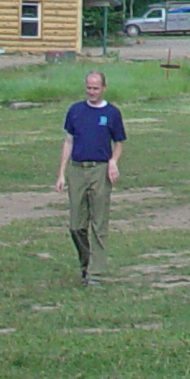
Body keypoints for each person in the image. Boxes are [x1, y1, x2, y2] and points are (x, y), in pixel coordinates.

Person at [55, 69, 126, 287]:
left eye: (96, 88)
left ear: (103, 88)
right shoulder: (75, 111)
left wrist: (113, 162)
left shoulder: (112, 113)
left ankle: (95, 274)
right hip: (77, 169)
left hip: (100, 169)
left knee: (99, 223)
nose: (92, 92)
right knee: (76, 225)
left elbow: (119, 143)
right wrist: (61, 173)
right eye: (89, 87)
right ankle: (86, 263)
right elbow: (68, 141)